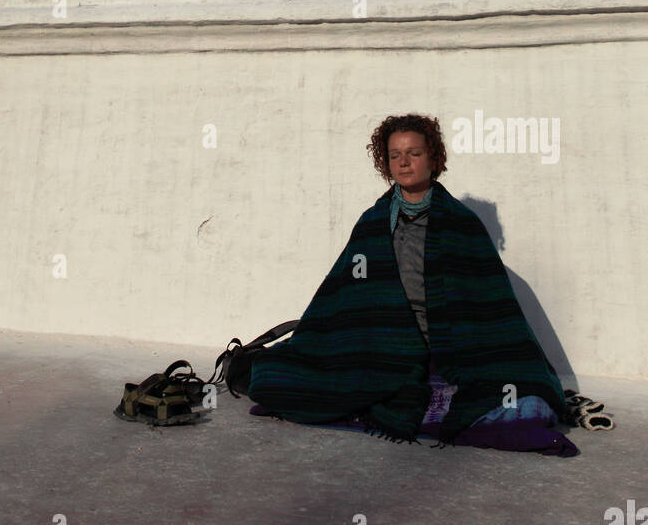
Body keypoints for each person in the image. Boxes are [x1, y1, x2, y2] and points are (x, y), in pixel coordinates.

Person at [247, 114, 577, 454]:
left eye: (414, 153)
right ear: (385, 162)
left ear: (433, 158)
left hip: (452, 354)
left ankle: (422, 399)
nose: (404, 162)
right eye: (394, 155)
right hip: (382, 348)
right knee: (278, 380)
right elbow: (342, 297)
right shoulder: (373, 222)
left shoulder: (462, 225)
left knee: (527, 403)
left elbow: (491, 312)